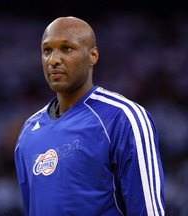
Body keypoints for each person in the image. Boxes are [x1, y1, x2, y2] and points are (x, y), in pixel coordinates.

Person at [14, 16, 166, 216]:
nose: (53, 60)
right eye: (47, 51)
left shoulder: (123, 118)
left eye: (66, 48)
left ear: (93, 56)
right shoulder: (29, 132)